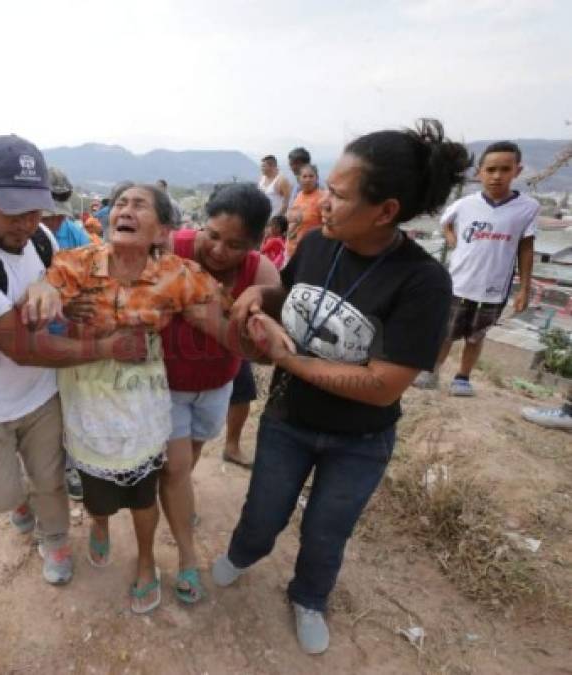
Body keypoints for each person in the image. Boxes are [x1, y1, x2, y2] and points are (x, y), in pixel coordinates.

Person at [212, 119, 467, 655]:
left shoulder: (422, 283)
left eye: (339, 194)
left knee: (328, 530)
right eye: (326, 186)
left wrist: (289, 359)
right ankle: (242, 555)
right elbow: (289, 293)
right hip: (288, 422)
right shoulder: (319, 245)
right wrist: (260, 299)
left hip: (359, 440)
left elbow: (381, 387)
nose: (321, 202)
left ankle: (308, 596)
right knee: (263, 512)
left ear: (386, 211)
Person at [22, 184, 273, 613]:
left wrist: (262, 332)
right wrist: (42, 291)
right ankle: (99, 524)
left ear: (162, 232)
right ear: (107, 218)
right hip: (87, 398)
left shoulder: (179, 275)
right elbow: (38, 328)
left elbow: (229, 329)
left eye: (140, 205)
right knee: (96, 485)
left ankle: (145, 561)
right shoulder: (70, 265)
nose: (126, 210)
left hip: (143, 399)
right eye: (121, 204)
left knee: (143, 489)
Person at [0, 135, 147, 587]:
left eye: (34, 209)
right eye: (13, 210)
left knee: (50, 482)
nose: (27, 224)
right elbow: (23, 348)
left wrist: (50, 283)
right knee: (3, 497)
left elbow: (68, 273)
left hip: (42, 397)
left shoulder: (38, 236)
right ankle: (19, 506)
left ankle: (57, 538)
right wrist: (105, 349)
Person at [160, 182, 279, 603]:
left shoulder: (261, 274)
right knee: (174, 468)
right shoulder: (171, 246)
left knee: (191, 453)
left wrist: (215, 322)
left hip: (216, 384)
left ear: (255, 243)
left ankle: (178, 495)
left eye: (234, 244)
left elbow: (266, 354)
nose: (217, 250)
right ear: (201, 224)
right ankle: (188, 560)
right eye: (212, 235)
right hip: (167, 385)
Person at [413, 141, 538, 396]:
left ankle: (462, 377)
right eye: (490, 169)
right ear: (479, 171)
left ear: (517, 170)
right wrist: (452, 240)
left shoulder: (527, 208)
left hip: (494, 287)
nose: (497, 176)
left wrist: (525, 288)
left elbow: (526, 248)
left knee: (476, 335)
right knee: (446, 331)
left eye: (505, 169)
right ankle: (432, 370)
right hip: (459, 281)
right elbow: (445, 223)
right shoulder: (465, 204)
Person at [43, 167, 92, 502]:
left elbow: (95, 281)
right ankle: (44, 468)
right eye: (50, 216)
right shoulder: (16, 238)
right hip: (31, 343)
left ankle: (73, 465)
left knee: (71, 406)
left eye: (61, 216)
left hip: (68, 341)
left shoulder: (75, 235)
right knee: (41, 413)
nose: (56, 223)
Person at [285, 164, 325, 261]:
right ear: (299, 179)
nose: (308, 179)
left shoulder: (323, 198)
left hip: (310, 253)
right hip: (291, 250)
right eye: (304, 176)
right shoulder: (298, 196)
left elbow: (327, 228)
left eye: (311, 176)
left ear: (317, 178)